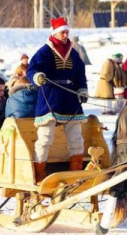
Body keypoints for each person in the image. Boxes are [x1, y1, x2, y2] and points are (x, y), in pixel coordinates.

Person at [26, 17, 88, 182]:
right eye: (63, 32)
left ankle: (75, 175)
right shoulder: (44, 51)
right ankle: (39, 176)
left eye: (67, 32)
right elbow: (32, 70)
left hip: (71, 100)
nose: (65, 35)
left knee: (76, 138)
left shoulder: (73, 53)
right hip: (50, 98)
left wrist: (82, 89)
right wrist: (37, 76)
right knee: (45, 138)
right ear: (55, 32)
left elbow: (80, 74)